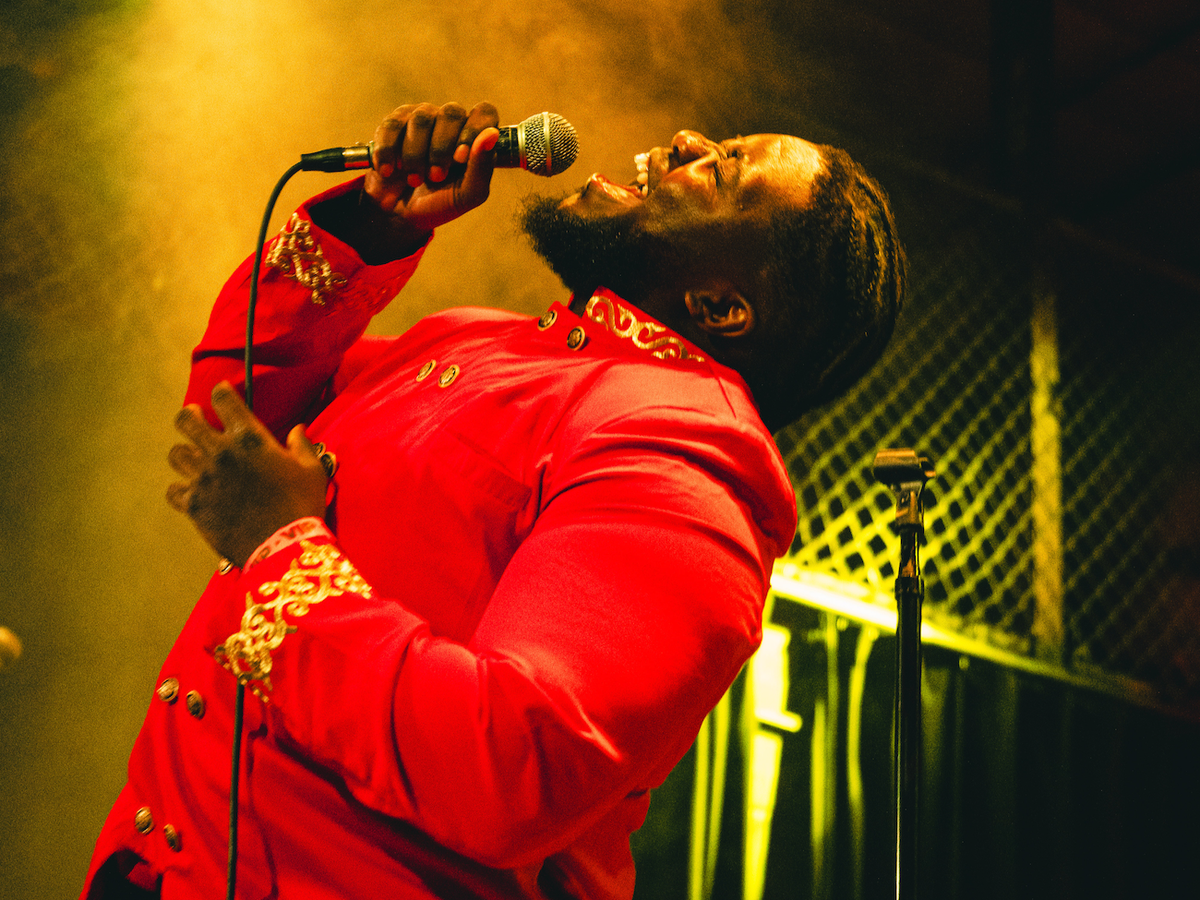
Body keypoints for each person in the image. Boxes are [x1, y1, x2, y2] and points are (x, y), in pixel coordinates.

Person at [81, 100, 904, 899]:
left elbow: (514, 770)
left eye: (721, 170)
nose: (688, 139)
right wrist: (372, 226)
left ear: (720, 307)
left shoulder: (687, 465)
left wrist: (282, 552)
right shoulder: (477, 339)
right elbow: (229, 432)